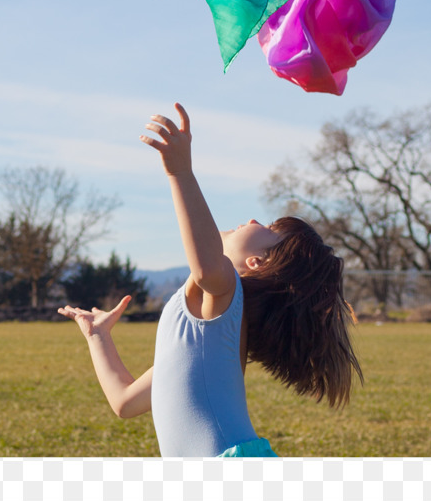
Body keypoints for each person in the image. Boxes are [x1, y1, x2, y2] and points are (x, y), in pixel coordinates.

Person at [59, 103, 363, 457]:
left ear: (256, 263)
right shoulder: (206, 338)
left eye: (267, 229)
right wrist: (98, 337)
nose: (252, 219)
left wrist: (180, 172)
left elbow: (206, 267)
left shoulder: (226, 293)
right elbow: (124, 402)